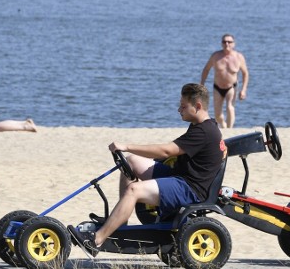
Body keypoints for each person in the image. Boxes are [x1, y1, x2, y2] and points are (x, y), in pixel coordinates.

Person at [67, 83, 226, 257]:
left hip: (189, 188)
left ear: (197, 106)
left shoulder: (203, 131)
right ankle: (121, 223)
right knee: (132, 161)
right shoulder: (206, 125)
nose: (179, 109)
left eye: (183, 106)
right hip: (180, 176)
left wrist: (127, 145)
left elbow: (166, 151)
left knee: (134, 190)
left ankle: (96, 241)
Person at [200, 34, 249, 129]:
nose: (227, 44)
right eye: (224, 42)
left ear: (234, 44)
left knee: (230, 107)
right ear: (221, 43)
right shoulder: (215, 56)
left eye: (229, 42)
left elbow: (245, 73)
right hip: (217, 87)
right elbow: (206, 69)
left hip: (231, 87)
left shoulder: (239, 57)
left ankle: (230, 129)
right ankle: (223, 125)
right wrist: (202, 84)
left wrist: (243, 90)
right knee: (217, 114)